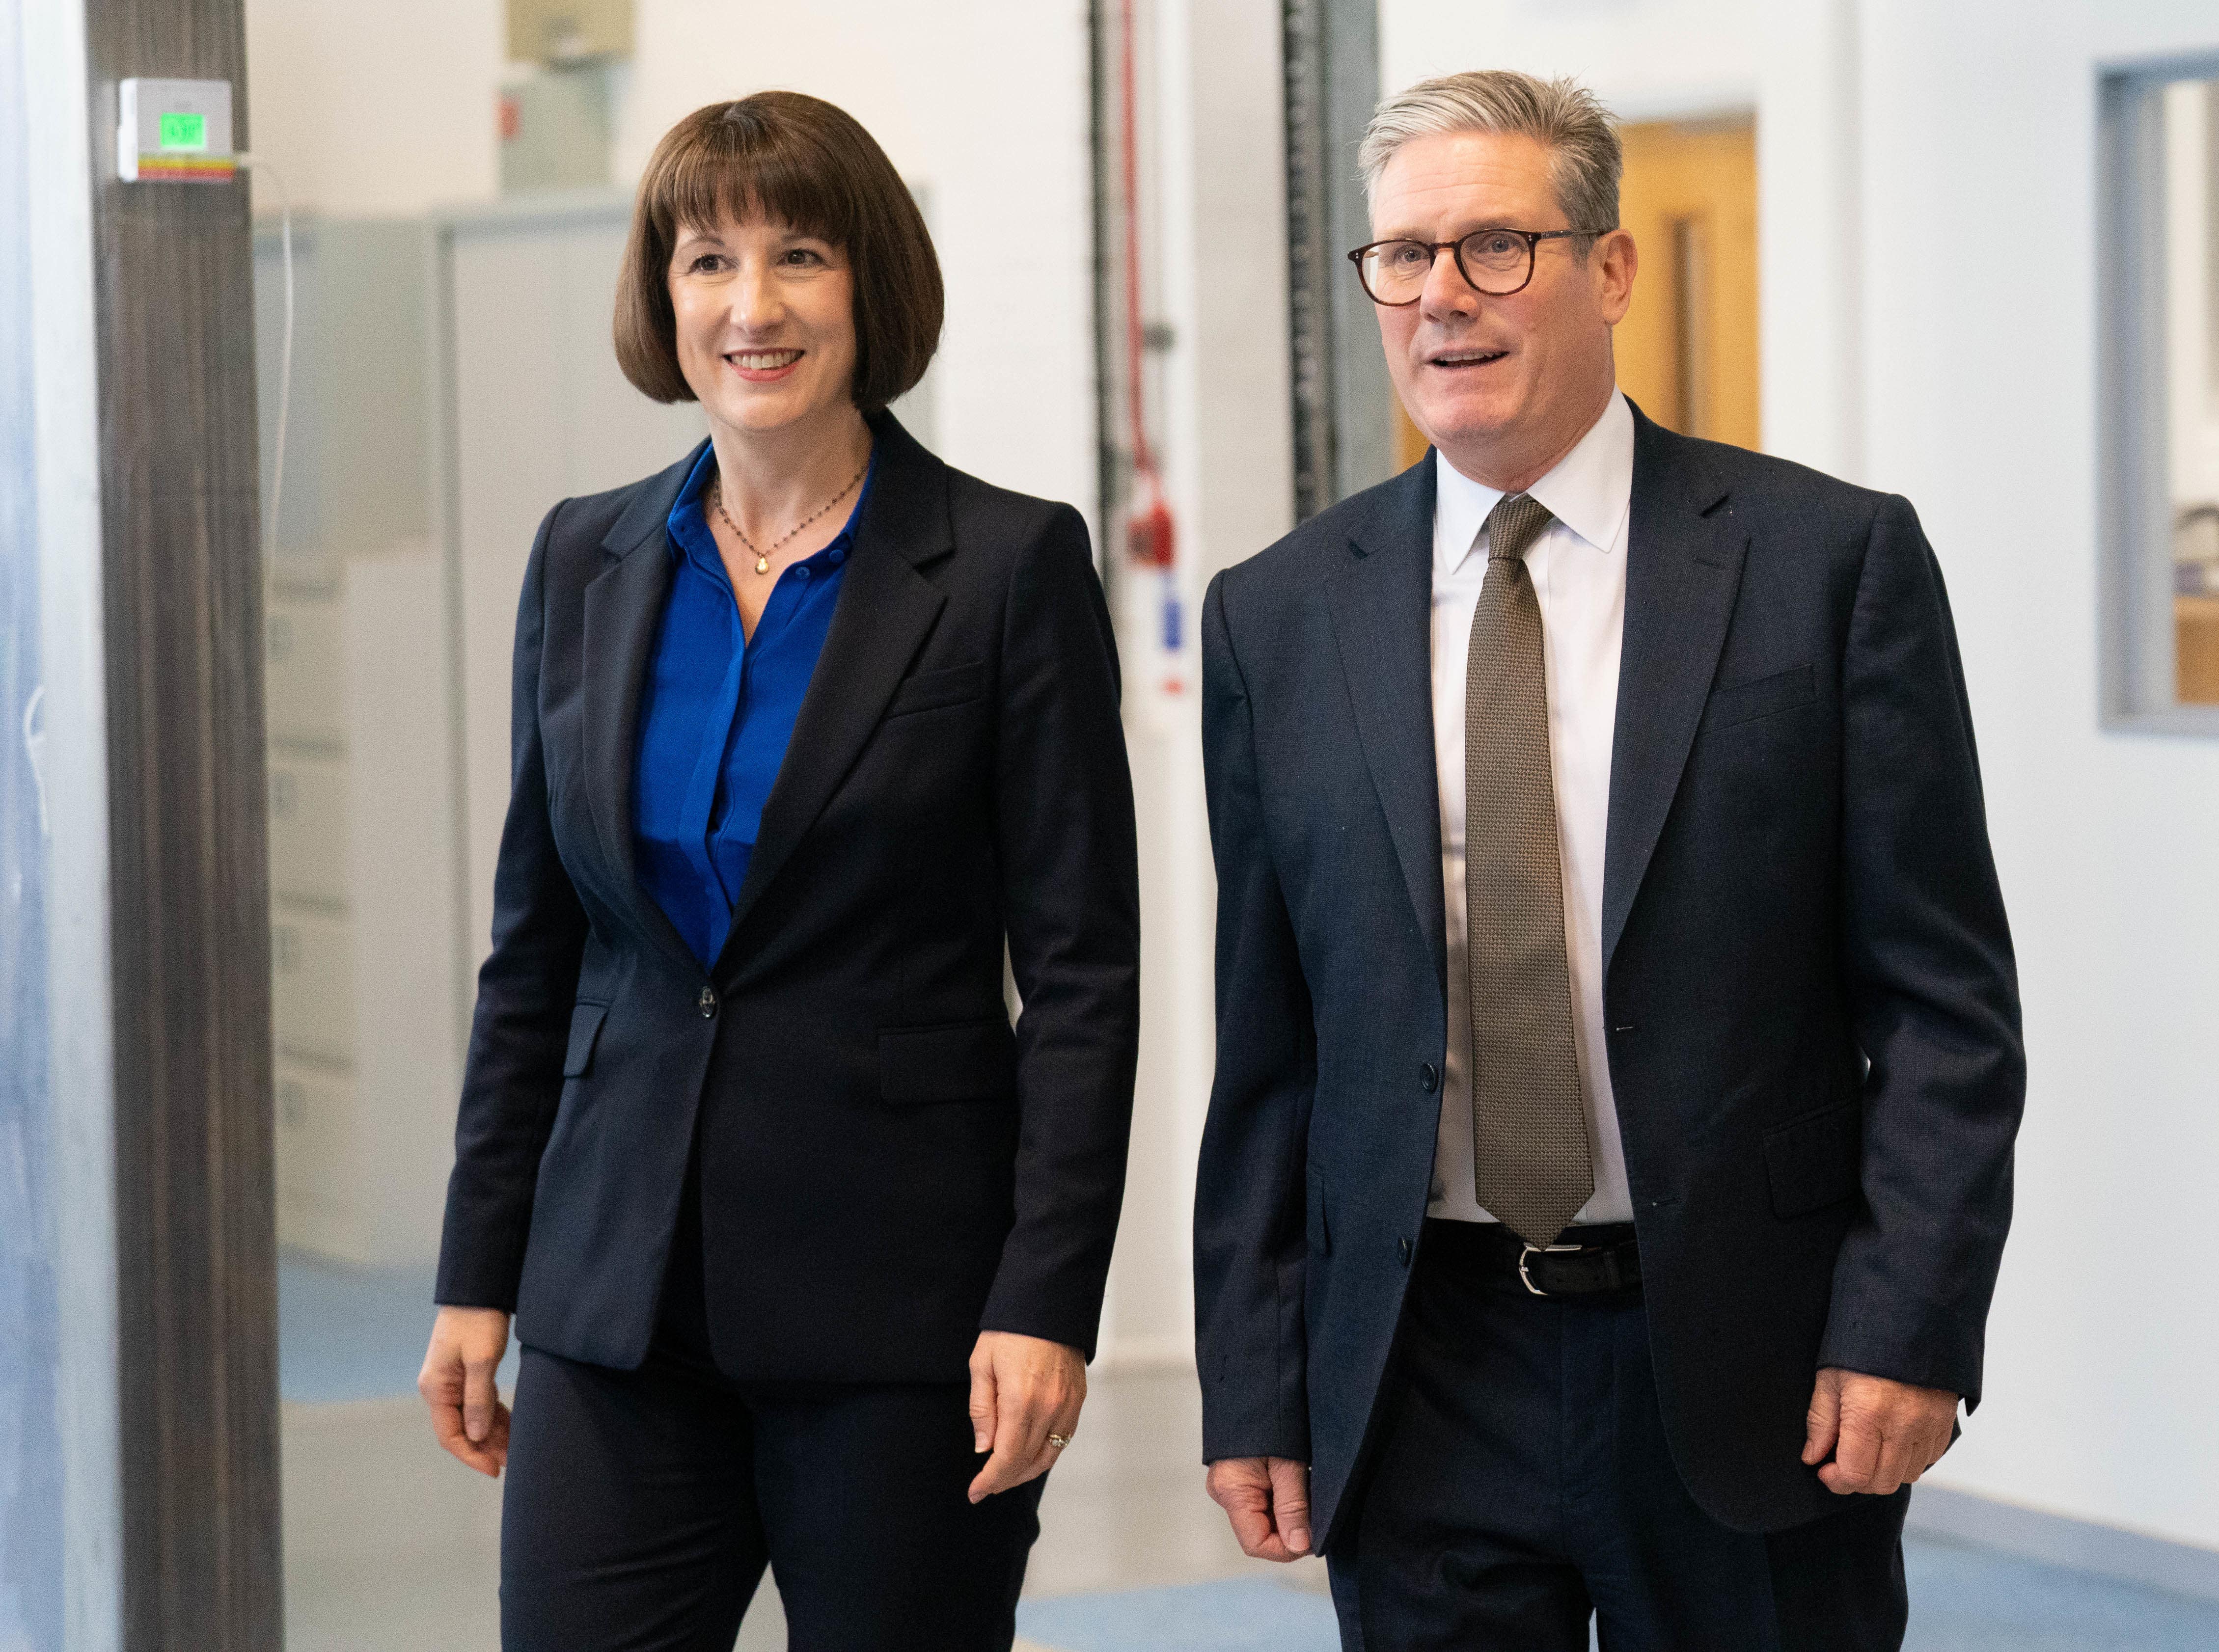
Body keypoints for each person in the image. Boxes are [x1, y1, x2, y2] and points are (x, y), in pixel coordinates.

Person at [1194, 70, 2024, 1650]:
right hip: (1420, 1363)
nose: (1442, 296)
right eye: (1404, 256)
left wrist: (1909, 1325)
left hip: (1746, 1362)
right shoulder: (1281, 614)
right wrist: (1256, 1370)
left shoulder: (1827, 565)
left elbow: (1942, 1006)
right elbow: (1272, 1046)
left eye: (1497, 246)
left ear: (1613, 269)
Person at [413, 91, 1140, 1652]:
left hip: (903, 1321)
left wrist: (1046, 1296)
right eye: (706, 262)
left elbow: (1084, 977)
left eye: (798, 255)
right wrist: (478, 1270)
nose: (752, 306)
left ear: (867, 284)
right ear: (660, 299)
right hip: (617, 1304)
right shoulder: (585, 559)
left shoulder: (1007, 569)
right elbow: (536, 951)